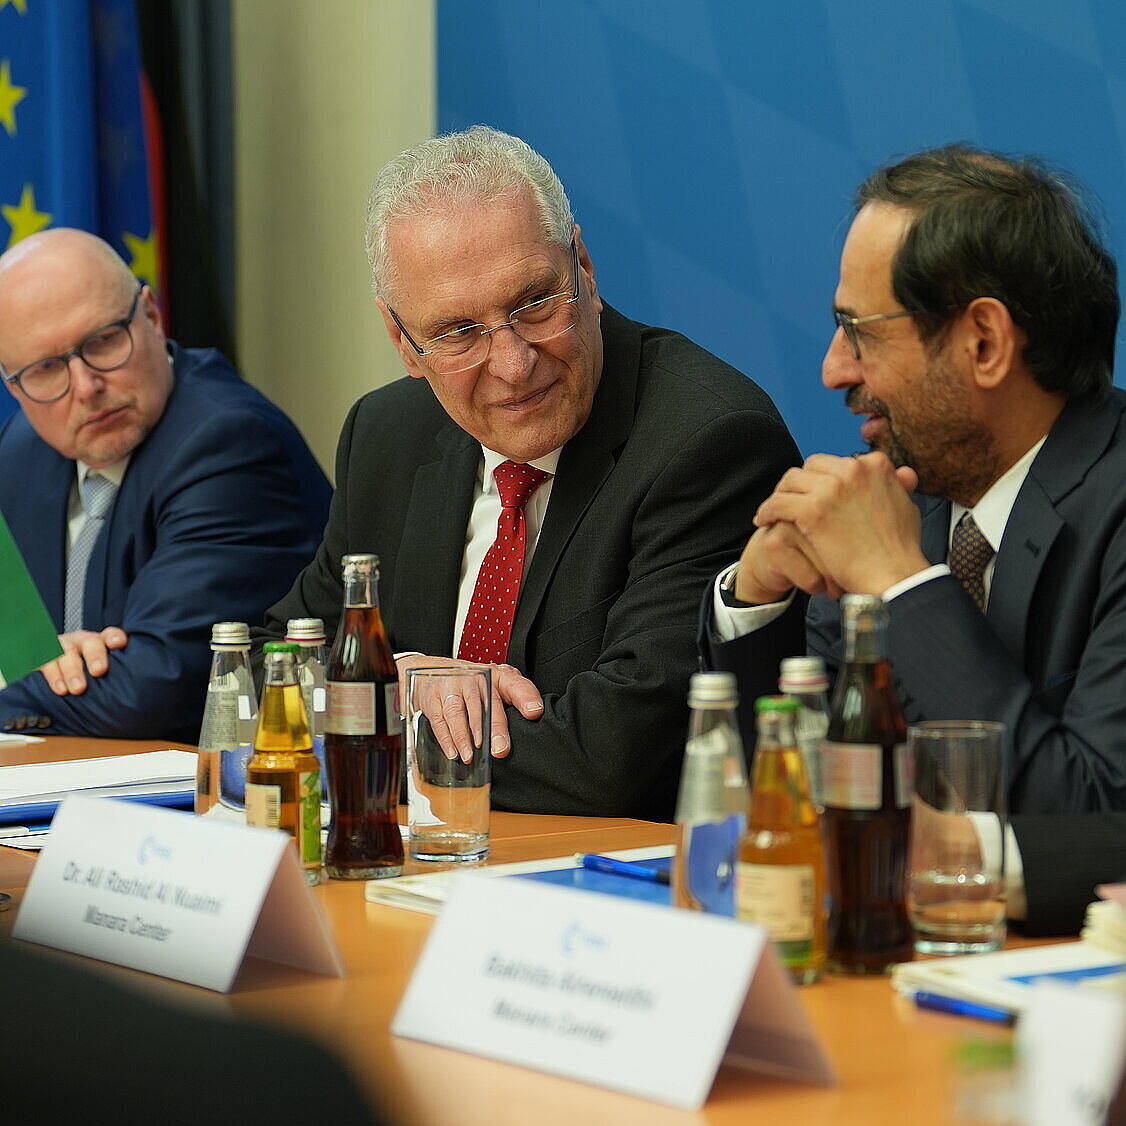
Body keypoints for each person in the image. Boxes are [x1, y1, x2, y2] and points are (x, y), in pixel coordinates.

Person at [258, 125, 801, 820]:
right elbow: (273, 663)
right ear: (403, 341)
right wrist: (396, 679)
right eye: (457, 332)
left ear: (585, 268)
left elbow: (613, 755)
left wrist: (387, 712)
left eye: (535, 304)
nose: (514, 365)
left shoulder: (707, 441)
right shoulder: (387, 436)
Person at [702, 143, 1126, 816]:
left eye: (859, 332)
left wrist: (908, 587)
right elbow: (800, 802)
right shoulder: (905, 499)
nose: (834, 371)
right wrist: (757, 598)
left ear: (983, 342)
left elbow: (1097, 818)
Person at [0, 229, 331, 742]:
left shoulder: (229, 443)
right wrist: (36, 663)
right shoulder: (22, 447)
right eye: (46, 369)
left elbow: (151, 690)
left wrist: (19, 675)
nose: (86, 387)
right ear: (14, 386)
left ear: (152, 317)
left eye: (104, 340)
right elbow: (14, 636)